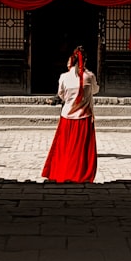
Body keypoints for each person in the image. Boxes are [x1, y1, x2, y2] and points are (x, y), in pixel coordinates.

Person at [42, 45, 100, 183]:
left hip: (67, 116)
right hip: (84, 116)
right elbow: (95, 90)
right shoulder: (90, 76)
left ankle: (62, 172)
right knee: (82, 150)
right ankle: (81, 174)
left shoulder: (64, 77)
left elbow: (61, 95)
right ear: (84, 61)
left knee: (64, 148)